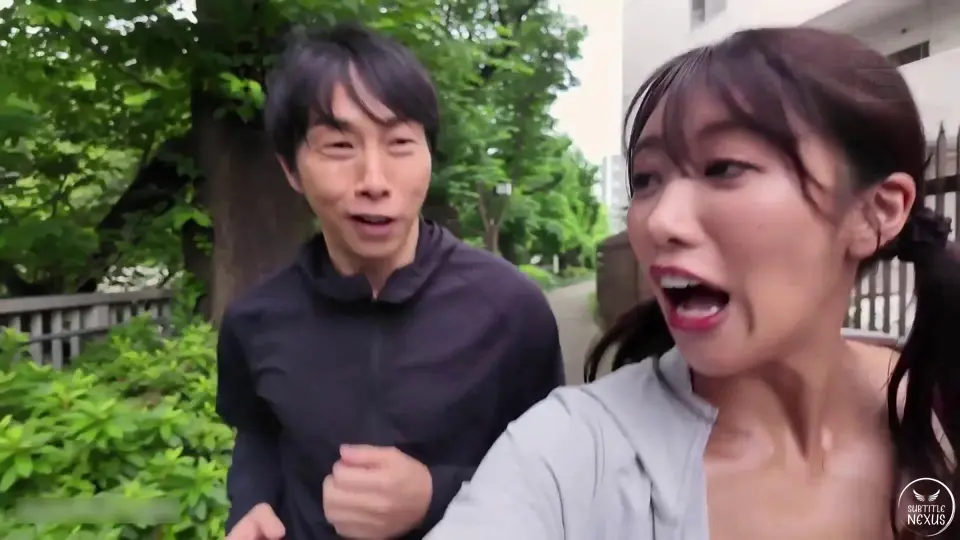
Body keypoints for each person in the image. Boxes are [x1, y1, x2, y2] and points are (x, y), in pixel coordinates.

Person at [425, 26, 959, 539]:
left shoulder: (941, 397)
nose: (658, 221)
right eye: (646, 179)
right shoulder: (565, 455)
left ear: (876, 212)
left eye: (723, 167)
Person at [216, 23, 565, 540]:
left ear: (429, 154)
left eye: (400, 143)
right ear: (291, 169)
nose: (375, 182)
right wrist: (252, 503)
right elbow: (258, 434)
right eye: (339, 146)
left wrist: (435, 495)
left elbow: (554, 474)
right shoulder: (255, 320)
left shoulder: (511, 309)